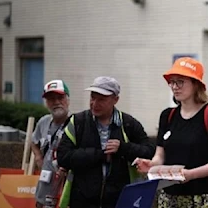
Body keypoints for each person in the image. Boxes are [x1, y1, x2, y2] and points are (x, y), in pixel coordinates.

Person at [134, 57, 208, 208]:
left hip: (205, 199)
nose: (174, 87)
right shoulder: (167, 116)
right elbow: (160, 155)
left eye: (180, 82)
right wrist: (151, 165)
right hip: (170, 198)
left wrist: (191, 174)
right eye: (172, 82)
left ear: (195, 84)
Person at [56, 76, 155, 208]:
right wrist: (100, 155)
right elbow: (63, 157)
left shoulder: (129, 123)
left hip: (120, 200)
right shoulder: (78, 122)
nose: (95, 103)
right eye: (92, 97)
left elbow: (149, 152)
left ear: (115, 99)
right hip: (82, 200)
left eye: (102, 99)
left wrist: (123, 148)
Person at [30, 80, 71, 208]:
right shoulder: (44, 122)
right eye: (51, 99)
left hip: (64, 190)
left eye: (60, 97)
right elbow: (33, 141)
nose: (56, 102)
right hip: (44, 187)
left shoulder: (76, 124)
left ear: (67, 99)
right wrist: (38, 157)